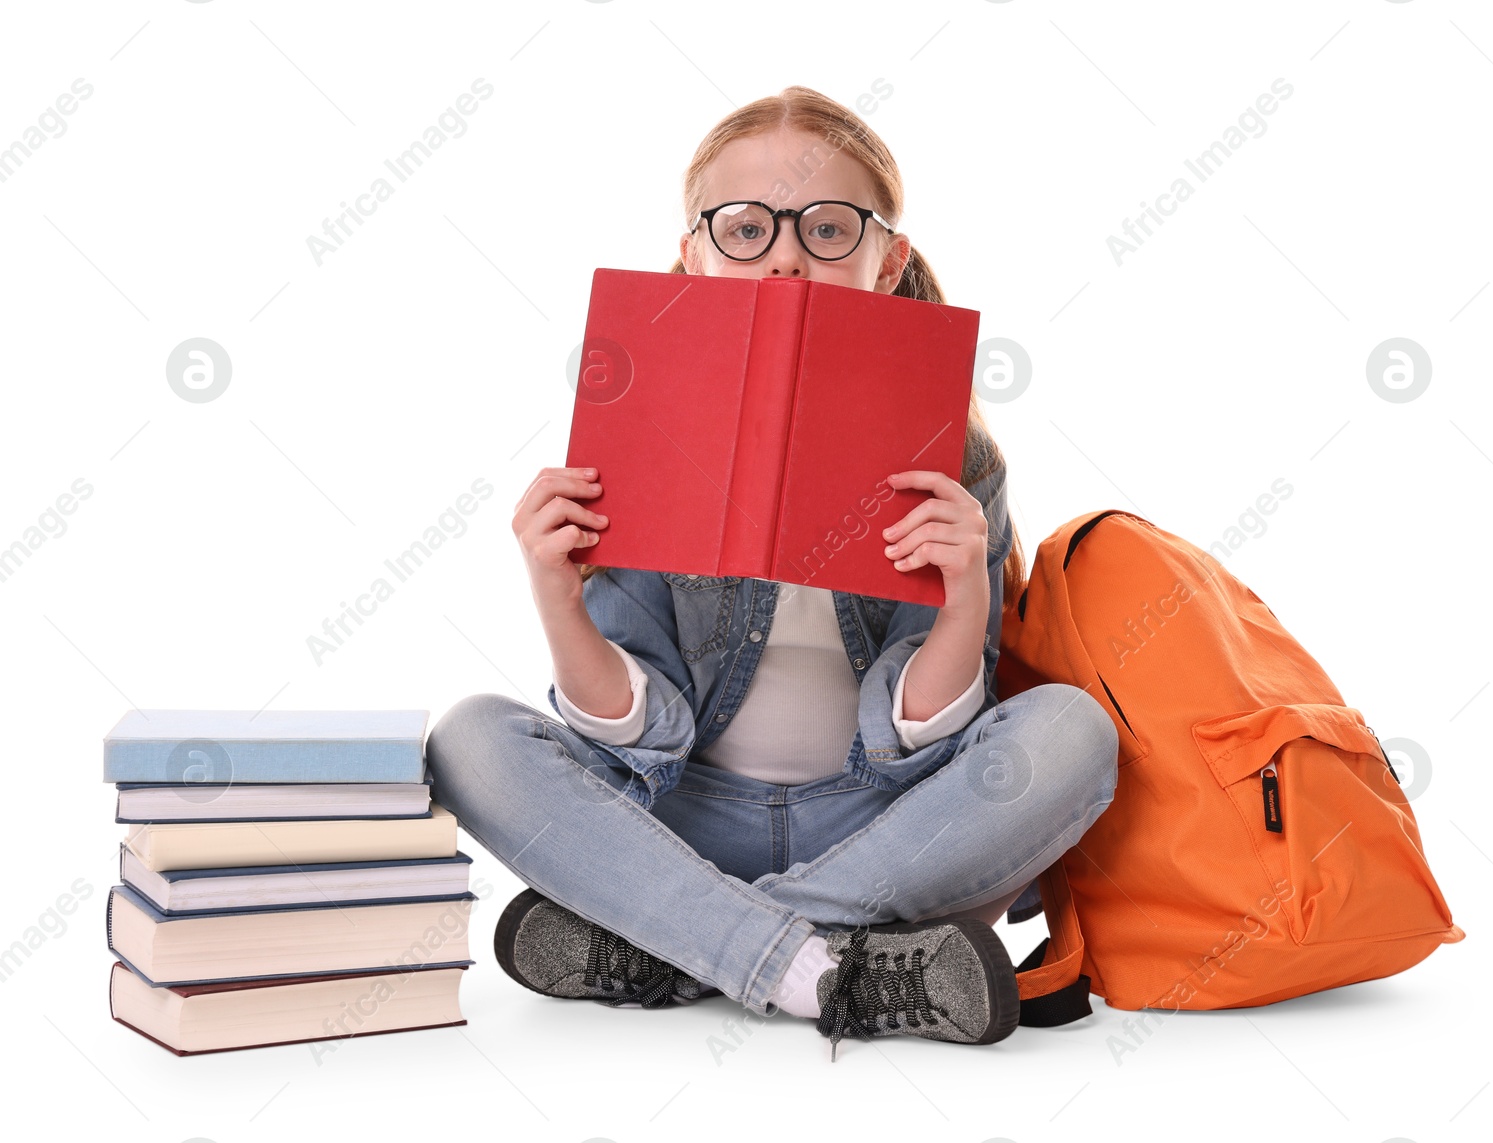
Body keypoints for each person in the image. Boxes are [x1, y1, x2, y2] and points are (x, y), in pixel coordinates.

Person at [424, 84, 1118, 1060]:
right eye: (745, 228)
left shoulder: (957, 456)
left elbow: (916, 744)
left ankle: (685, 946)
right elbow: (638, 735)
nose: (787, 252)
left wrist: (965, 600)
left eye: (829, 228)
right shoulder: (638, 433)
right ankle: (834, 970)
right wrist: (556, 598)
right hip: (683, 822)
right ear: (691, 259)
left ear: (889, 261)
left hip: (881, 832)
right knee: (469, 738)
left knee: (1073, 733)